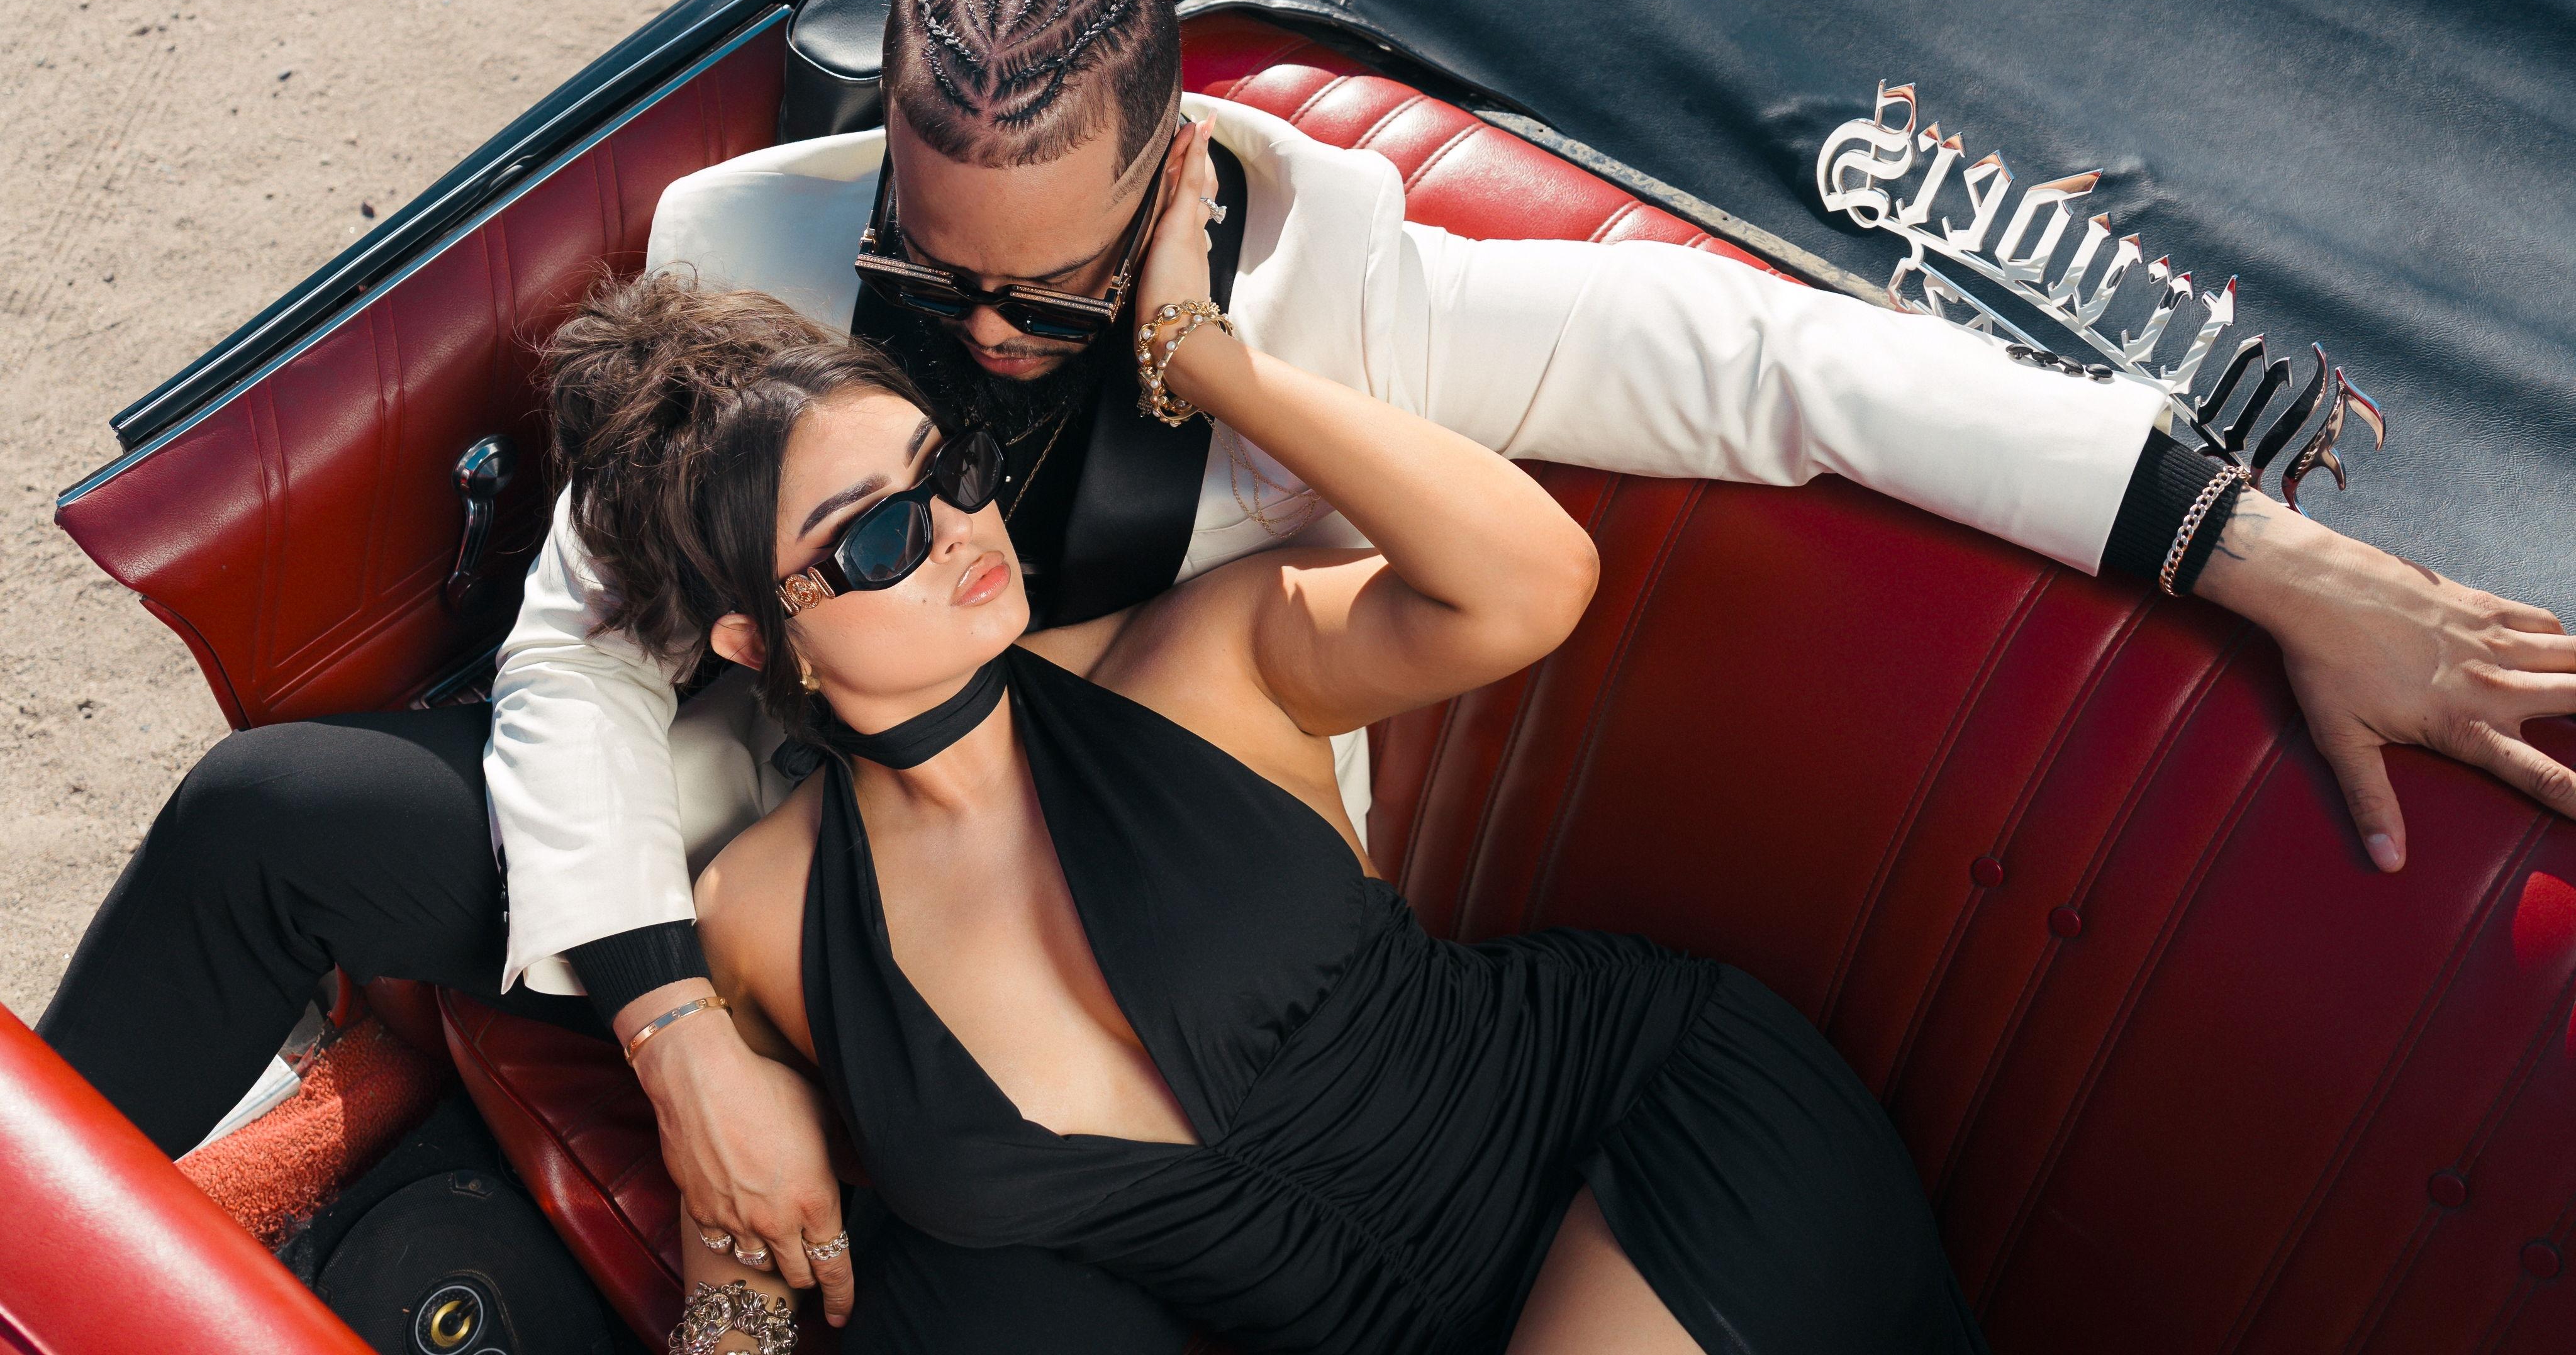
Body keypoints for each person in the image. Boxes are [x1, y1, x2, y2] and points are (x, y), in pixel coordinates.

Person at [34, 0, 2576, 1334]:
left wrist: (2257, 550)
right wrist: (681, 1025)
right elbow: (579, 670)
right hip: (761, 849)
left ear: (1169, 183)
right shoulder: (759, 254)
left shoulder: (1355, 299)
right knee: (282, 815)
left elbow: (1792, 374)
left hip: (1153, 943)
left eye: (1039, 288)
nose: (969, 341)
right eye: (928, 261)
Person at [557, 120, 1991, 1352]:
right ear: (756, 640)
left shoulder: (1200, 658)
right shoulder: (755, 915)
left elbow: (1531, 584)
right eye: (873, 536)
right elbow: (739, 1246)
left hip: (1654, 1132)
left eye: (950, 470)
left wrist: (1201, 355)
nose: (954, 533)